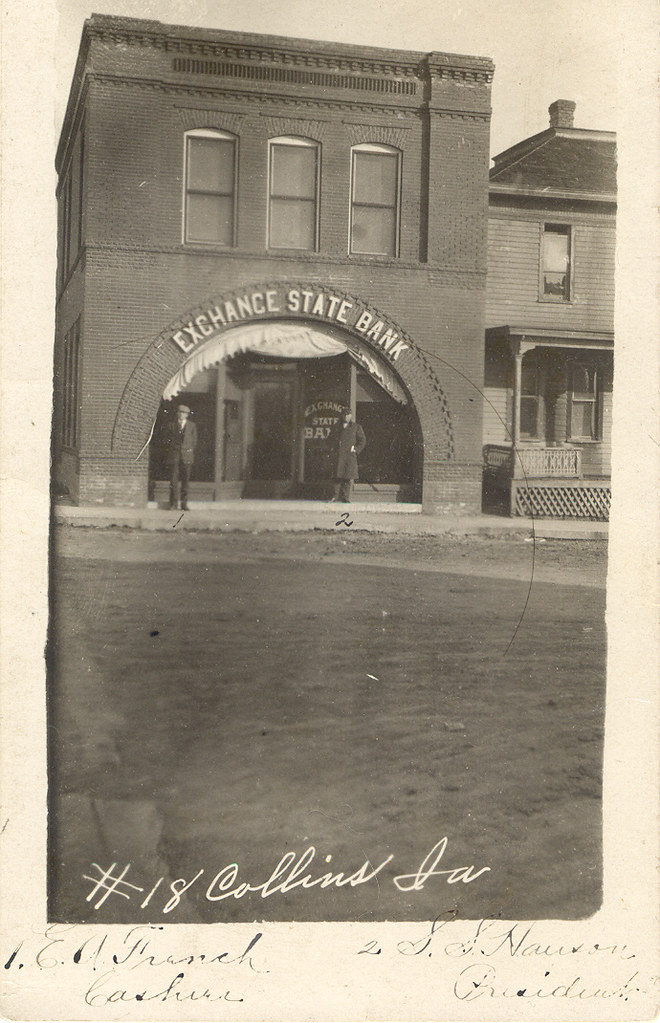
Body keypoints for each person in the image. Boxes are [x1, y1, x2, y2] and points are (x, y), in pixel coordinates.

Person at [166, 403, 197, 510]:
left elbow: (194, 441)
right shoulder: (171, 425)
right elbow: (167, 440)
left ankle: (184, 504)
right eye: (180, 412)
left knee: (185, 480)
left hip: (187, 456)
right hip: (174, 455)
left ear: (187, 415)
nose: (181, 414)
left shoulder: (192, 426)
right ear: (177, 413)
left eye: (184, 413)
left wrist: (187, 450)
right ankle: (173, 504)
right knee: (173, 480)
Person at [331, 408, 366, 503]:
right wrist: (334, 450)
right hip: (339, 455)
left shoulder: (356, 427)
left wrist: (356, 449)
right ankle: (334, 497)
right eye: (346, 415)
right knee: (337, 477)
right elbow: (330, 439)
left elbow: (362, 440)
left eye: (349, 415)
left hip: (349, 456)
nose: (347, 417)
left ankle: (346, 497)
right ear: (342, 416)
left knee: (347, 477)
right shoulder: (336, 427)